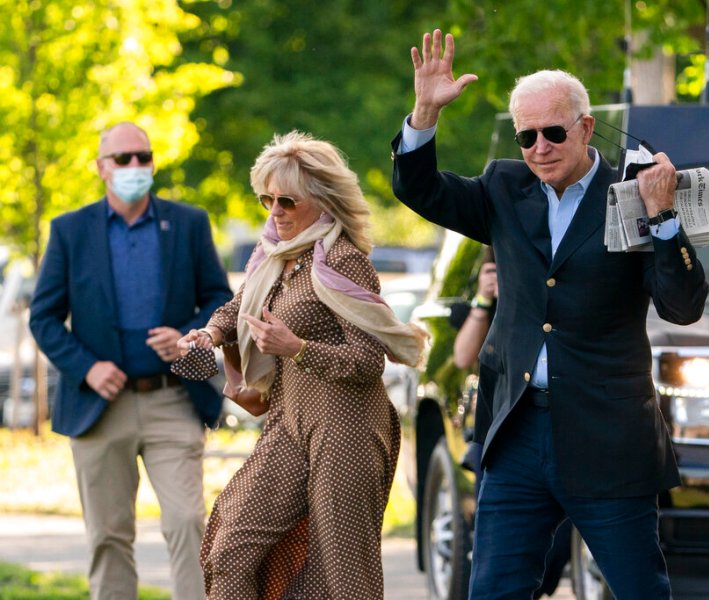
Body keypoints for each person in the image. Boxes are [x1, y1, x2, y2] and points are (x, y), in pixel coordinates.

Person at [391, 30, 708, 598]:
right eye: (527, 136)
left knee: (639, 589)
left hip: (607, 436)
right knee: (493, 589)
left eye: (554, 132)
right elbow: (420, 191)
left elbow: (683, 306)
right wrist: (424, 112)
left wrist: (663, 218)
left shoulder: (631, 192)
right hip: (517, 432)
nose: (539, 147)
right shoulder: (503, 187)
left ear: (586, 128)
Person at [176, 130, 427, 598]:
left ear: (322, 199)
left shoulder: (345, 261)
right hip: (288, 420)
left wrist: (297, 348)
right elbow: (240, 308)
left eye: (287, 201)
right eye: (266, 200)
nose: (275, 212)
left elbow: (369, 362)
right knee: (230, 544)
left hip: (347, 426)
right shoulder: (274, 256)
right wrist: (208, 334)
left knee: (343, 575)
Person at [28, 121, 233, 600]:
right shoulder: (69, 231)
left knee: (187, 522)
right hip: (100, 408)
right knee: (108, 537)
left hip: (173, 400)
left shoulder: (189, 223)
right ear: (102, 168)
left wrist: (188, 337)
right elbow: (44, 318)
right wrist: (86, 366)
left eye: (143, 156)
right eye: (124, 159)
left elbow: (219, 299)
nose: (135, 166)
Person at [453, 246, 571, 600]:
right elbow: (463, 356)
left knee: (558, 542)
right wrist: (485, 298)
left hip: (565, 421)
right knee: (500, 552)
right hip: (502, 428)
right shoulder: (495, 260)